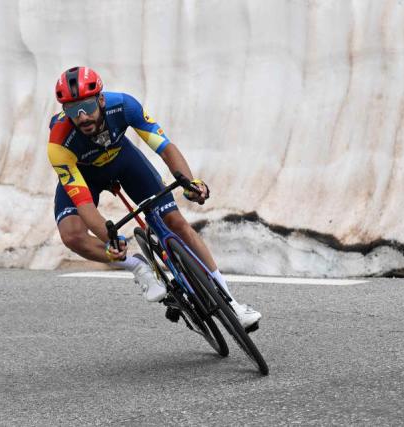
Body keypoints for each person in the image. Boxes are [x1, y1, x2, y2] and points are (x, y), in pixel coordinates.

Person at [48, 66, 261, 329]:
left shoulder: (124, 106)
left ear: (101, 100)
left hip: (122, 161)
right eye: (72, 110)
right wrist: (110, 239)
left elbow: (164, 147)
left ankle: (232, 305)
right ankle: (137, 266)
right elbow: (85, 205)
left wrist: (190, 182)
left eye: (87, 106)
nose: (82, 117)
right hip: (84, 175)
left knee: (175, 222)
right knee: (71, 236)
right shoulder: (59, 143)